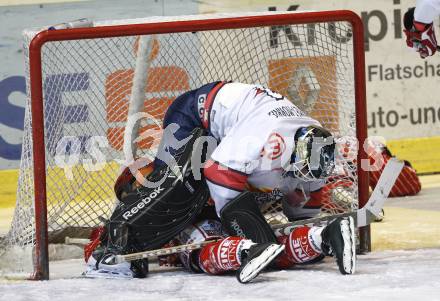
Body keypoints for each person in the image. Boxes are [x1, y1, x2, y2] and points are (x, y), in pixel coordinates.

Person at [84, 82, 356, 282]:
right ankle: (318, 238)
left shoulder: (303, 146)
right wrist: (260, 233)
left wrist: (264, 235)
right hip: (193, 115)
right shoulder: (265, 141)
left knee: (187, 200)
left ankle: (297, 240)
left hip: (224, 167)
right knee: (178, 184)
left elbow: (301, 203)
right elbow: (219, 175)